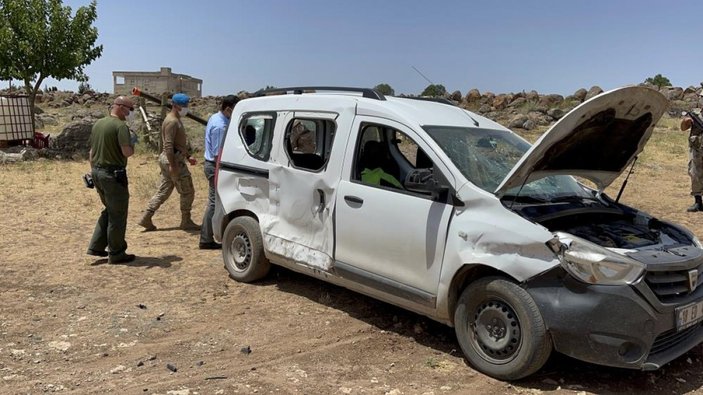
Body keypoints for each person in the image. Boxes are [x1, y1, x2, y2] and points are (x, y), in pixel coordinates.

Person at [138, 93, 200, 230]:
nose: (186, 108)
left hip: (171, 158)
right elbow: (169, 145)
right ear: (175, 105)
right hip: (173, 160)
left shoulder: (175, 119)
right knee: (187, 191)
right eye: (183, 106)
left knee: (164, 190)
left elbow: (178, 143)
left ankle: (146, 217)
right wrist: (173, 165)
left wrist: (188, 156)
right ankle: (186, 221)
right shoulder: (172, 121)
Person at [87, 96, 137, 264]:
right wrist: (133, 143)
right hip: (113, 175)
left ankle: (96, 246)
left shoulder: (98, 124)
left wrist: (93, 172)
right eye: (130, 109)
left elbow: (91, 153)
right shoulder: (121, 126)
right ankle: (116, 253)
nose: (131, 112)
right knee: (118, 213)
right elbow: (127, 152)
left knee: (109, 209)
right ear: (121, 108)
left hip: (97, 172)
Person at [199, 94, 239, 249]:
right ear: (228, 109)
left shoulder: (216, 118)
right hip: (215, 166)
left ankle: (207, 236)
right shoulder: (220, 126)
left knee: (214, 202)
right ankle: (206, 239)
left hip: (213, 165)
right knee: (214, 203)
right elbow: (218, 154)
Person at [681, 92, 703, 212]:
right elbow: (683, 128)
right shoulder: (695, 114)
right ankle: (698, 202)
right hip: (697, 149)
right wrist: (686, 121)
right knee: (695, 174)